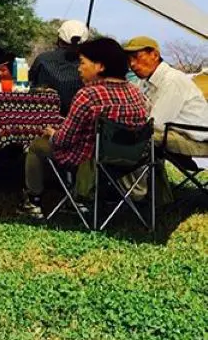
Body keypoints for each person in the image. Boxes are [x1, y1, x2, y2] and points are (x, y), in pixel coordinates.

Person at [21, 38, 148, 217]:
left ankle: (33, 202)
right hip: (128, 159)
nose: (78, 68)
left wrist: (52, 133)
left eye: (82, 63)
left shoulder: (87, 95)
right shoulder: (135, 92)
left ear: (100, 67)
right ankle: (78, 199)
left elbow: (63, 140)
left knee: (37, 146)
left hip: (89, 159)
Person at [123, 36, 208, 157]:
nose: (132, 64)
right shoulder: (145, 81)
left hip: (197, 140)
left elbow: (156, 123)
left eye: (136, 57)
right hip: (172, 133)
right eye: (129, 60)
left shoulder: (172, 80)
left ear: (155, 55)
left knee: (133, 137)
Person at [29, 19, 89, 114]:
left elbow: (29, 82)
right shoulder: (90, 65)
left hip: (44, 116)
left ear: (59, 39)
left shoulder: (43, 59)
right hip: (77, 119)